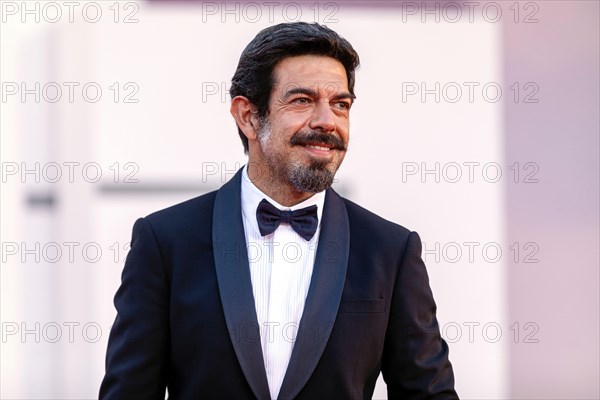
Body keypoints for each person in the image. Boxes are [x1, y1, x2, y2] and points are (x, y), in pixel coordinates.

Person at [99, 22, 458, 399]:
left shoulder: (390, 249)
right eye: (302, 100)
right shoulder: (166, 242)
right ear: (248, 116)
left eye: (341, 104)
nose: (327, 121)